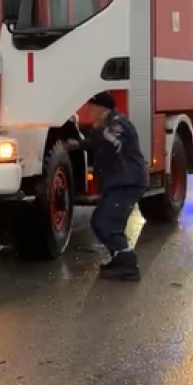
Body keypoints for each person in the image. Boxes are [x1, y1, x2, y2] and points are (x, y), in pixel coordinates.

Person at [64, 91, 148, 281]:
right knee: (100, 221)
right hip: (118, 183)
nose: (88, 111)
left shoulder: (117, 123)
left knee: (107, 224)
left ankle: (128, 264)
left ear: (101, 108)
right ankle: (119, 260)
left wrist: (79, 144)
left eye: (91, 107)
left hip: (128, 183)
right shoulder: (106, 125)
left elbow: (112, 140)